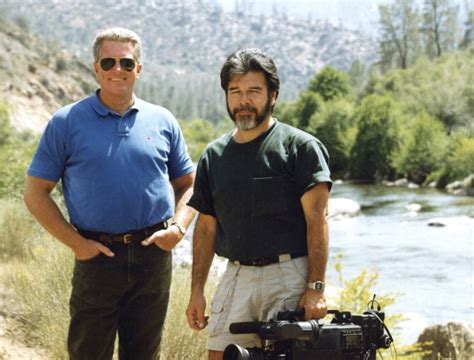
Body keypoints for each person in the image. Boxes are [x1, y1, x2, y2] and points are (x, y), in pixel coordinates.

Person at [24, 27, 195, 360]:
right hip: (97, 257)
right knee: (88, 353)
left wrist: (178, 228)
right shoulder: (66, 122)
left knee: (145, 353)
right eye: (109, 61)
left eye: (127, 63)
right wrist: (78, 244)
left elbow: (188, 184)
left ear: (139, 69)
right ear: (96, 68)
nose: (118, 70)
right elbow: (35, 194)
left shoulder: (163, 120)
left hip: (153, 256)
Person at [185, 48, 332, 359]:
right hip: (236, 275)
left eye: (254, 91)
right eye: (235, 91)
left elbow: (317, 220)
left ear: (273, 95)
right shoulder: (213, 156)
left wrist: (315, 288)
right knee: (219, 354)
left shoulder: (300, 147)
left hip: (289, 274)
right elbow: (206, 228)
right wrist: (196, 291)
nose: (243, 100)